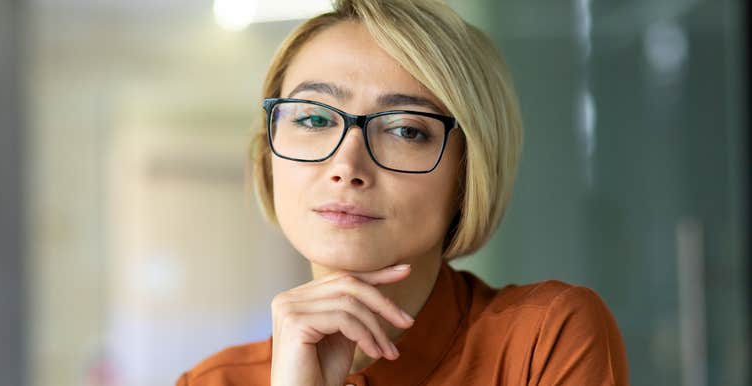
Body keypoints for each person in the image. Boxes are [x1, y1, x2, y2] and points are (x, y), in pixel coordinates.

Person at [176, 0, 629, 385]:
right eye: (313, 119)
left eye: (407, 130)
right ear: (268, 155)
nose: (346, 167)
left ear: (469, 171)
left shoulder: (544, 338)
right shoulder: (211, 381)